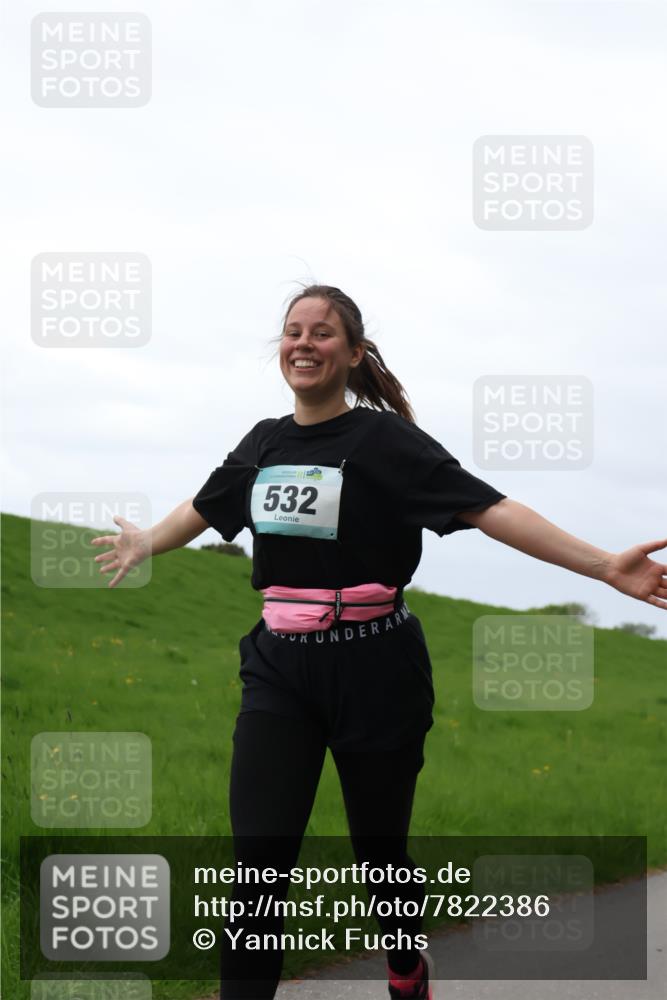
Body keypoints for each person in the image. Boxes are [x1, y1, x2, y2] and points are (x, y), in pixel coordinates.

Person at [92, 284, 667, 1000]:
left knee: (378, 853)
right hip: (280, 668)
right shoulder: (264, 442)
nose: (303, 342)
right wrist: (147, 541)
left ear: (353, 353)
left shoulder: (383, 440)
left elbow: (489, 508)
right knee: (258, 866)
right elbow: (207, 505)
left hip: (376, 666)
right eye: (292, 331)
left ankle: (403, 964)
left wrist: (602, 565)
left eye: (322, 333)